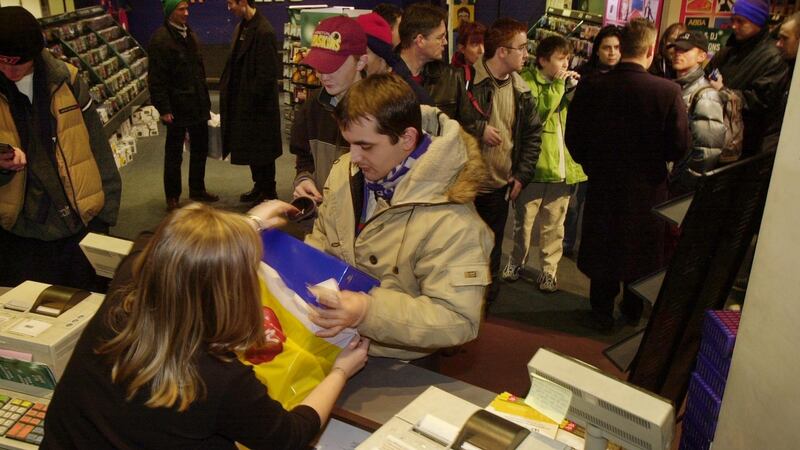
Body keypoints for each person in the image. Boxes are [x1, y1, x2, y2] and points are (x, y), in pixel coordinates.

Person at [42, 202, 369, 448]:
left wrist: (246, 224)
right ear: (229, 294)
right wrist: (341, 371)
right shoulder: (217, 378)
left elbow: (151, 238)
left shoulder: (126, 288)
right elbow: (290, 436)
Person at [304, 73, 492, 363]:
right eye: (349, 143)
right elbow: (323, 238)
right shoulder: (346, 172)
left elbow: (458, 318)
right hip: (332, 340)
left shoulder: (453, 219)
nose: (352, 157)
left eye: (365, 146)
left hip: (399, 364)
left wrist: (369, 311)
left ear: (407, 139)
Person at [565, 18, 690, 332]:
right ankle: (632, 312)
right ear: (650, 50)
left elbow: (574, 136)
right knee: (640, 252)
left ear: (623, 49)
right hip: (648, 187)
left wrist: (592, 165)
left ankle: (601, 311)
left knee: (603, 246)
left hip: (604, 183)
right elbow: (679, 146)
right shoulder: (667, 91)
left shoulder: (592, 85)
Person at [0, 6, 121, 290]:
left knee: (87, 306)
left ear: (33, 55)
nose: (8, 71)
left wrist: (106, 214)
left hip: (77, 223)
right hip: (16, 229)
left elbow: (97, 146)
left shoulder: (68, 80)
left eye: (16, 64)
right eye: (1, 62)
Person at [458, 18, 542, 305]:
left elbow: (532, 137)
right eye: (522, 48)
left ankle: (483, 309)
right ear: (503, 52)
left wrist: (521, 175)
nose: (527, 54)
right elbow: (441, 122)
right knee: (457, 253)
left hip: (498, 188)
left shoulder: (522, 90)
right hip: (461, 188)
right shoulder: (463, 79)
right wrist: (478, 128)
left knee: (490, 253)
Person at [502, 36, 587, 293]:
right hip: (535, 168)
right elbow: (537, 116)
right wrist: (559, 88)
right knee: (523, 223)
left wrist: (573, 90)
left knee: (554, 226)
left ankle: (549, 271)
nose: (566, 63)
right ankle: (516, 261)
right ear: (543, 60)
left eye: (567, 58)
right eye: (560, 58)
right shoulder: (527, 81)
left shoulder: (565, 83)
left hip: (562, 169)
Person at [148, 0, 218, 211]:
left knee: (200, 148)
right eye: (181, 9)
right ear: (170, 12)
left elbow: (198, 71)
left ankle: (197, 189)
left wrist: (205, 103)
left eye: (187, 9)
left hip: (197, 104)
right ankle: (173, 197)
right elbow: (156, 79)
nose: (186, 13)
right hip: (176, 108)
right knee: (174, 154)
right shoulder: (160, 40)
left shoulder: (190, 34)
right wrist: (164, 109)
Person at [290, 16, 367, 203]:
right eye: (319, 66)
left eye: (333, 66)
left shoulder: (382, 110)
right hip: (325, 217)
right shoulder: (313, 107)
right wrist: (304, 179)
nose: (323, 76)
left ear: (361, 62)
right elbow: (304, 157)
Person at [565, 25, 622, 258]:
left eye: (617, 48)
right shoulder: (583, 74)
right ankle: (567, 243)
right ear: (596, 49)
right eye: (606, 47)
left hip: (610, 155)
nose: (612, 52)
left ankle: (592, 246)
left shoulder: (626, 77)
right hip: (582, 150)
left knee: (598, 206)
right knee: (573, 203)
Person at [220, 0, 283, 204]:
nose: (229, 8)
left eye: (231, 3)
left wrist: (250, 100)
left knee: (263, 151)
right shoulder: (242, 26)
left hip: (259, 107)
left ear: (243, 2)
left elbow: (267, 75)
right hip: (244, 103)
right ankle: (259, 186)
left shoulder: (264, 31)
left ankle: (269, 190)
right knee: (252, 151)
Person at [706, 0, 787, 156]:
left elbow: (761, 101)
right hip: (715, 132)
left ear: (758, 21)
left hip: (747, 144)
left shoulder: (773, 57)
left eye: (741, 21)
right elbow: (707, 74)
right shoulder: (729, 49)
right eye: (733, 20)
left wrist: (723, 92)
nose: (734, 26)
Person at [668, 30, 726, 194]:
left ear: (701, 56)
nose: (678, 54)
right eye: (676, 49)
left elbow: (707, 151)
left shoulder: (706, 95)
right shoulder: (677, 87)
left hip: (681, 186)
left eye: (685, 50)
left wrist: (684, 185)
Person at [394, 3, 466, 118]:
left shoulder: (452, 77)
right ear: (420, 40)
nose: (445, 42)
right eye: (440, 37)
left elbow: (466, 124)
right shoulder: (384, 77)